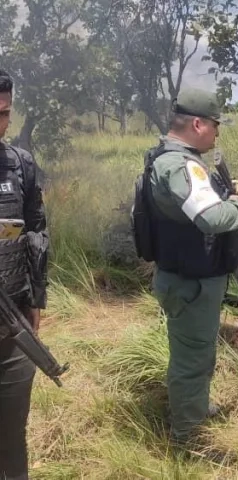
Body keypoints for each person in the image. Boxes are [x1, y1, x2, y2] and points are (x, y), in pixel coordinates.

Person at [141, 87, 238, 454]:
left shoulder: (170, 158)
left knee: (197, 353)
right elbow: (211, 217)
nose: (218, 133)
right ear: (199, 124)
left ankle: (197, 410)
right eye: (216, 125)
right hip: (190, 285)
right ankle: (189, 442)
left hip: (189, 281)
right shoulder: (180, 164)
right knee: (191, 360)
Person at [0, 69, 50, 480]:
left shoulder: (21, 166)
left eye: (3, 113)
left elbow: (36, 232)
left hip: (11, 328)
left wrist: (36, 301)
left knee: (12, 439)